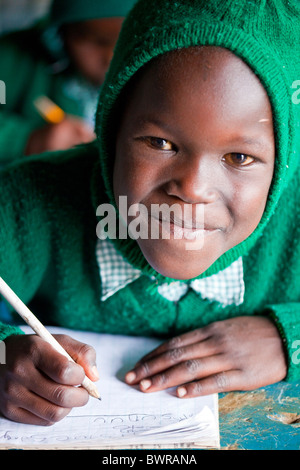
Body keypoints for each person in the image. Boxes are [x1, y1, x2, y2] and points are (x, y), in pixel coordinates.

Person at [0, 0, 299, 426]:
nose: (193, 190)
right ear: (111, 127)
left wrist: (288, 337)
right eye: (159, 143)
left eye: (239, 156)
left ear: (285, 162)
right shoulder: (30, 200)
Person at [0, 0, 136, 164]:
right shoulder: (13, 58)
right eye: (98, 41)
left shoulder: (159, 74)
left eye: (130, 42)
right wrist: (28, 140)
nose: (112, 57)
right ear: (61, 34)